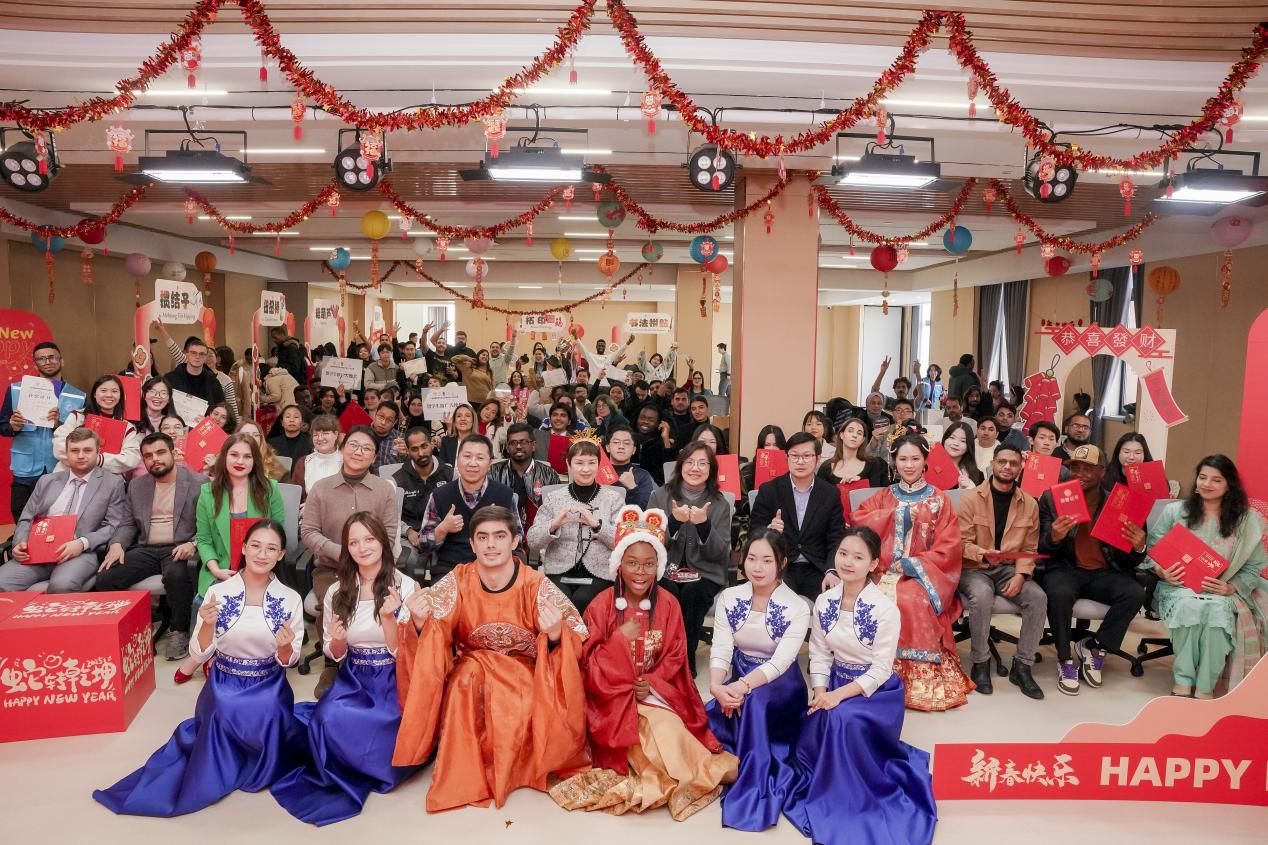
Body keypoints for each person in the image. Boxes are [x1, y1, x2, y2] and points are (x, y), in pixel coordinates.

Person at [93, 520, 304, 817]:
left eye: (271, 549)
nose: (262, 554)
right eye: (255, 546)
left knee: (268, 712)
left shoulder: (290, 598)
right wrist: (206, 624)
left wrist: (284, 648)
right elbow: (199, 653)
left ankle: (258, 758)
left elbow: (289, 659)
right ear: (244, 548)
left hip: (269, 684)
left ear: (281, 555)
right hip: (224, 682)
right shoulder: (220, 591)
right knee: (224, 709)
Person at [393, 504, 588, 810]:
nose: (491, 545)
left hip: (523, 672)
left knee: (519, 699)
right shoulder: (458, 580)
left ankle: (511, 770)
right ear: (472, 544)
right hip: (473, 669)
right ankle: (465, 777)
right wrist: (419, 623)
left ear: (514, 541)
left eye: (499, 536)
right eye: (482, 538)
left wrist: (554, 635)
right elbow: (430, 625)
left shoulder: (535, 584)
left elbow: (577, 633)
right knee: (463, 682)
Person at [550, 505, 737, 819]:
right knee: (645, 734)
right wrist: (617, 642)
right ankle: (670, 773)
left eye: (649, 564)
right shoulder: (601, 605)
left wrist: (650, 683)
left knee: (668, 727)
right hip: (610, 700)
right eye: (632, 563)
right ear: (619, 564)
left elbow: (676, 656)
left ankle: (694, 771)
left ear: (658, 566)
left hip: (656, 693)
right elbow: (586, 664)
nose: (640, 572)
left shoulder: (669, 604)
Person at [785, 526, 937, 845]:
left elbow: (881, 669)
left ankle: (846, 799)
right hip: (835, 682)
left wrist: (837, 697)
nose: (847, 562)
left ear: (873, 564)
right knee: (816, 720)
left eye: (858, 557)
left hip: (876, 692)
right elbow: (819, 653)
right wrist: (821, 692)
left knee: (841, 719)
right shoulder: (824, 602)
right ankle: (829, 783)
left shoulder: (885, 609)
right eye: (843, 554)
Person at [271, 513, 421, 825]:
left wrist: (390, 619)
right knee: (328, 717)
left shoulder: (405, 586)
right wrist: (338, 641)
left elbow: (405, 653)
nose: (362, 548)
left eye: (369, 539)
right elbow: (335, 653)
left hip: (395, 678)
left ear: (383, 542)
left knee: (385, 726)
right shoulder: (338, 592)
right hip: (355, 676)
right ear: (346, 548)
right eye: (354, 542)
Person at [853, 433, 973, 711]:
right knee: (876, 600)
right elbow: (859, 521)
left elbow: (949, 547)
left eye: (915, 459)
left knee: (912, 600)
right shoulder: (883, 497)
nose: (909, 465)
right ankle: (871, 672)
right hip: (881, 572)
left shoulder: (939, 500)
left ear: (925, 461)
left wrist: (912, 564)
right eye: (903, 459)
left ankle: (917, 680)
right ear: (894, 461)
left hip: (923, 574)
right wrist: (894, 516)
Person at [706, 528, 811, 831]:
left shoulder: (796, 606)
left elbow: (782, 661)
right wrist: (716, 686)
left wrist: (741, 685)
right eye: (752, 558)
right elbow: (722, 647)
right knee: (707, 715)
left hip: (781, 683)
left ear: (782, 563)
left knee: (753, 703)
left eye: (767, 560)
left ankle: (752, 779)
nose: (757, 567)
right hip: (741, 674)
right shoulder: (730, 597)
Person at [1146, 455, 1268, 698]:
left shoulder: (1246, 520)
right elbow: (1153, 550)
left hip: (1221, 590)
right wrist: (1162, 571)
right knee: (1189, 607)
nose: (1207, 484)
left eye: (1216, 480)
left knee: (1216, 612)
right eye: (1202, 477)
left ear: (1229, 485)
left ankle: (1205, 685)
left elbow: (1254, 566)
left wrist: (1232, 587)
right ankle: (1183, 680)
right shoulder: (1175, 511)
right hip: (1178, 587)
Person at [175, 432, 285, 683]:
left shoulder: (270, 489)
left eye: (247, 456)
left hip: (260, 567)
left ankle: (222, 656)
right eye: (234, 455)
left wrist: (257, 567)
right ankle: (205, 654)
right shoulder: (208, 492)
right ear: (224, 458)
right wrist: (215, 568)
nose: (240, 461)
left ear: (255, 461)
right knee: (204, 602)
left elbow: (278, 534)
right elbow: (204, 539)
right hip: (222, 568)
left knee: (245, 602)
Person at [1038, 444, 1146, 696]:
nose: (1080, 474)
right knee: (1059, 592)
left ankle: (1095, 646)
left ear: (1102, 471)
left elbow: (1130, 560)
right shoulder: (1052, 498)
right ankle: (1065, 659)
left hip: (1104, 572)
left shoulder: (1118, 501)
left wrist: (1139, 546)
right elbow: (1040, 546)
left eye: (1088, 469)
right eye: (1075, 468)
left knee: (1135, 593)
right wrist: (1053, 537)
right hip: (1065, 568)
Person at [301, 425, 399, 698]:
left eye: (367, 448)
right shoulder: (321, 489)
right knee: (333, 601)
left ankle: (378, 660)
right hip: (332, 567)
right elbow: (308, 532)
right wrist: (341, 552)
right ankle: (332, 663)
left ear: (374, 457)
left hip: (375, 567)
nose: (358, 452)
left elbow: (389, 534)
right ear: (343, 449)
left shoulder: (384, 490)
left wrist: (366, 556)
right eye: (354, 445)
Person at [94, 432, 204, 661]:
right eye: (148, 455)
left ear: (173, 453)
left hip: (179, 546)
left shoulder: (199, 483)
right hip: (147, 548)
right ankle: (134, 631)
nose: (155, 459)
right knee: (105, 578)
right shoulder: (137, 485)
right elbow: (127, 523)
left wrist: (193, 544)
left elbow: (208, 525)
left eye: (161, 452)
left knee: (176, 575)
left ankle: (179, 630)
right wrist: (117, 544)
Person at [956, 443, 1046, 699]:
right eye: (1002, 461)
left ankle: (1023, 665)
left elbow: (1030, 548)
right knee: (981, 595)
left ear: (1021, 468)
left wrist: (1021, 575)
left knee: (1037, 598)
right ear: (992, 464)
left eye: (1013, 463)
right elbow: (960, 543)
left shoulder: (1030, 504)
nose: (1007, 467)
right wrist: (982, 553)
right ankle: (980, 662)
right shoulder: (970, 499)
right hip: (975, 568)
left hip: (1009, 568)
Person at [0, 427, 125, 593]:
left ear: (98, 452)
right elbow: (26, 519)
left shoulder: (112, 483)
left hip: (79, 552)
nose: (81, 456)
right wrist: (19, 543)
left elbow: (113, 525)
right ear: (66, 453)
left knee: (62, 586)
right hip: (36, 552)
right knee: (2, 582)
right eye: (75, 450)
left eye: (87, 450)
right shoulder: (47, 481)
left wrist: (82, 543)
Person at [649, 442, 734, 674]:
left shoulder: (720, 503)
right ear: (680, 465)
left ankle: (685, 662)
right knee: (668, 592)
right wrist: (673, 523)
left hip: (705, 571)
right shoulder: (660, 496)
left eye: (702, 463)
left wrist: (704, 525)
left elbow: (719, 553)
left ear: (711, 469)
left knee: (693, 594)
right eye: (690, 462)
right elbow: (649, 543)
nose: (695, 468)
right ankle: (662, 656)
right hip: (666, 569)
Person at [529, 438, 625, 612]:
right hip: (559, 570)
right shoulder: (554, 498)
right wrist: (553, 525)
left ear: (599, 464)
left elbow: (623, 542)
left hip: (600, 572)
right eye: (579, 463)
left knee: (583, 599)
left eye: (591, 463)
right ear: (569, 464)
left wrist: (597, 526)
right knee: (560, 600)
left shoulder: (613, 499)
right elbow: (533, 541)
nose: (586, 469)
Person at [750, 432, 847, 601]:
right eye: (794, 456)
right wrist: (769, 531)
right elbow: (753, 533)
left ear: (818, 458)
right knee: (778, 604)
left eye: (807, 456)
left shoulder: (830, 494)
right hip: (779, 567)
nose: (800, 461)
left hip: (817, 568)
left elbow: (836, 538)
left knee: (830, 603)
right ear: (786, 458)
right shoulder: (769, 490)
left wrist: (832, 570)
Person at [1, 342, 87, 521]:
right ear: (35, 363)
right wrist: (13, 426)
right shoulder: (16, 389)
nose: (47, 362)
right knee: (22, 514)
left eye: (51, 357)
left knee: (56, 518)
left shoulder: (78, 396)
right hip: (26, 467)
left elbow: (84, 436)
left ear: (61, 361)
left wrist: (58, 424)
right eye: (41, 358)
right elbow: (2, 426)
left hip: (60, 466)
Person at [418, 434, 519, 584]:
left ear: (489, 463)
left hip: (495, 570)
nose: (473, 463)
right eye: (467, 456)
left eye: (480, 458)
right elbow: (423, 544)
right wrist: (443, 529)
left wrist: (498, 531)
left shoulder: (504, 495)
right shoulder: (440, 495)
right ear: (457, 460)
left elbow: (518, 538)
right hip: (450, 571)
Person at [52, 374, 141, 476]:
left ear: (121, 395)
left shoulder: (127, 427)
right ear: (94, 394)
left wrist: (97, 459)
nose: (109, 395)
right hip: (69, 474)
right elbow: (59, 445)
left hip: (106, 479)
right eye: (103, 390)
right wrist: (85, 458)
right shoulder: (78, 417)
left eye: (114, 391)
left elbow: (132, 458)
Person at [490, 422, 556, 534]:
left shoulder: (549, 474)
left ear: (533, 445)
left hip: (538, 532)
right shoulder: (493, 472)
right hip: (502, 531)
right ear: (507, 447)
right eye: (513, 443)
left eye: (524, 442)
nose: (518, 446)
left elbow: (555, 511)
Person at [395, 426, 453, 553]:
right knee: (410, 559)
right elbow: (390, 515)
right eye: (414, 449)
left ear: (432, 444)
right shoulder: (398, 479)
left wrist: (443, 529)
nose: (421, 453)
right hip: (411, 537)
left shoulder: (450, 474)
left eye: (424, 446)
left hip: (446, 535)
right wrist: (408, 531)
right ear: (408, 451)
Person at [818, 416, 890, 492]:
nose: (854, 435)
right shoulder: (825, 467)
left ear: (863, 440)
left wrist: (858, 484)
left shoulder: (872, 464)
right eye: (850, 431)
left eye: (859, 433)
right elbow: (820, 496)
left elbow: (877, 495)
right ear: (841, 435)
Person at [163, 336, 226, 406]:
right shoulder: (170, 378)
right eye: (193, 353)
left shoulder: (213, 381)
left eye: (202, 354)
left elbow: (220, 405)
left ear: (205, 357)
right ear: (186, 354)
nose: (197, 357)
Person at [289, 414, 342, 496]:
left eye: (325, 433)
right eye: (316, 435)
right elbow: (294, 495)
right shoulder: (303, 462)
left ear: (336, 434)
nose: (320, 438)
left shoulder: (346, 461)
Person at [605, 423, 654, 508]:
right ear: (607, 447)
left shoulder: (642, 476)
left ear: (634, 450)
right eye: (616, 442)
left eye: (626, 443)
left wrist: (632, 487)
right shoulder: (595, 470)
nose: (621, 446)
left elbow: (644, 508)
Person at [632, 403, 674, 485]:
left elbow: (670, 472)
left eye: (651, 420)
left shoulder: (662, 444)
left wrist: (665, 439)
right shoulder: (627, 440)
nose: (645, 422)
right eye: (642, 418)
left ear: (658, 424)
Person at [941, 420, 984, 489]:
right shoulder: (928, 467)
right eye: (952, 438)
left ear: (968, 447)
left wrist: (970, 486)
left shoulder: (978, 475)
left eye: (963, 441)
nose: (956, 443)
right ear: (944, 440)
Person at [367, 401, 407, 472]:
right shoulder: (363, 434)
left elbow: (408, 466)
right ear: (375, 414)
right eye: (381, 416)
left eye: (389, 420)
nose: (383, 422)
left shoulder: (400, 439)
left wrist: (405, 455)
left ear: (395, 422)